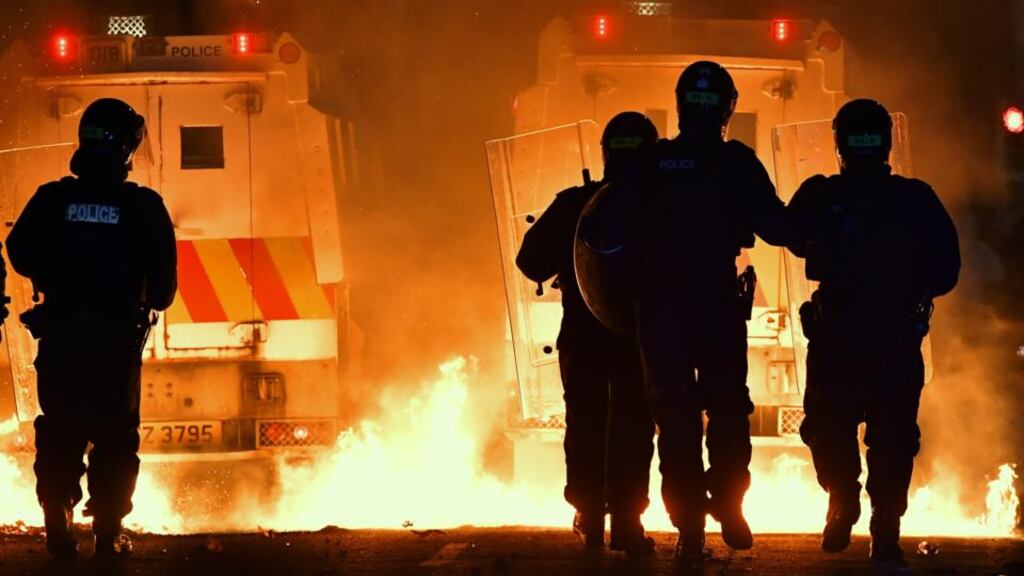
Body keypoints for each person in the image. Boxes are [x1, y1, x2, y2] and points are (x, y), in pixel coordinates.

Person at [786, 99, 960, 566]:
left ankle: (846, 502)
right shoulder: (914, 198)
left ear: (839, 145)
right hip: (890, 337)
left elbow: (782, 229)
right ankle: (883, 527)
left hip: (842, 336)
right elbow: (947, 270)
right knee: (891, 436)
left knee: (832, 426)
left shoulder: (823, 195)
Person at [7, 98, 177, 557]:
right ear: (124, 146)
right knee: (115, 435)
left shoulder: (52, 199)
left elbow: (18, 250)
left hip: (60, 338)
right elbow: (162, 293)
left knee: (61, 427)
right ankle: (105, 532)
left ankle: (57, 520)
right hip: (115, 344)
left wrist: (55, 272)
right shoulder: (143, 207)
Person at [634, 61, 790, 560]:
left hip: (663, 311)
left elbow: (614, 226)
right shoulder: (737, 163)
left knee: (676, 419)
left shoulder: (654, 161)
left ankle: (691, 528)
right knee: (727, 410)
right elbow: (777, 227)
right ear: (728, 110)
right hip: (716, 309)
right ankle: (727, 501)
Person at [516, 112, 658, 555]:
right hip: (640, 339)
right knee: (635, 424)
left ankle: (590, 515)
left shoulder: (576, 201)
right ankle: (629, 523)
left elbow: (530, 261)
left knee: (586, 423)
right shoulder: (661, 208)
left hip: (582, 337)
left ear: (607, 153)